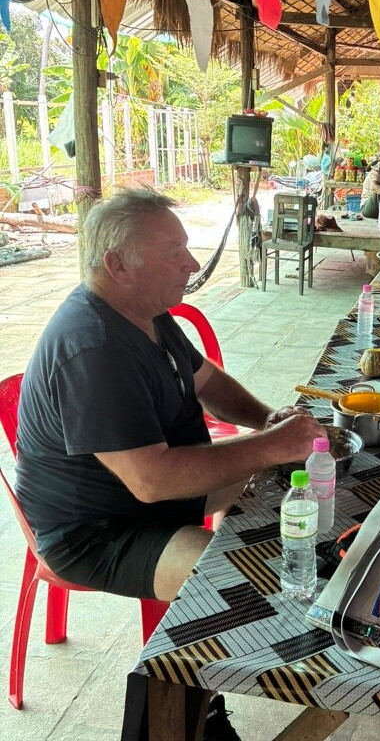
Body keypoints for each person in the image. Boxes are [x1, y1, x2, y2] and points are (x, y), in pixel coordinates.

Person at [14, 188, 326, 738]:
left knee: (293, 496)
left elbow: (209, 383)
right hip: (100, 531)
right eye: (173, 251)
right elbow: (151, 482)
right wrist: (270, 446)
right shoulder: (92, 346)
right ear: (117, 263)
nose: (191, 261)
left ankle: (197, 708)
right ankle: (180, 719)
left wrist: (266, 423)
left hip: (156, 492)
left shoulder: (145, 313)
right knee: (244, 580)